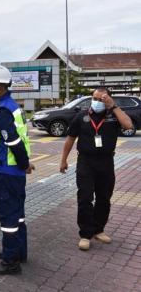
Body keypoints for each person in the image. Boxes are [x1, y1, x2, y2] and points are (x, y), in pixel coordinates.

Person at [59, 87, 133, 251]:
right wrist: (63, 161)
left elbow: (128, 125)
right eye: (95, 98)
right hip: (86, 162)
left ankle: (98, 229)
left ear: (108, 100)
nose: (97, 102)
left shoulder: (113, 116)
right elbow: (70, 139)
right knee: (85, 197)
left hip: (106, 162)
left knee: (104, 198)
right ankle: (85, 234)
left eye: (101, 99)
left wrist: (113, 106)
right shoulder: (81, 116)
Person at [0, 65, 34, 275]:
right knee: (17, 214)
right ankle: (18, 251)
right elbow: (18, 139)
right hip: (12, 171)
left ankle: (10, 261)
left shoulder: (1, 110)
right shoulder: (12, 105)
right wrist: (24, 164)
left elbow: (12, 141)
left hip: (3, 171)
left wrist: (24, 163)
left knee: (8, 218)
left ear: (1, 87)